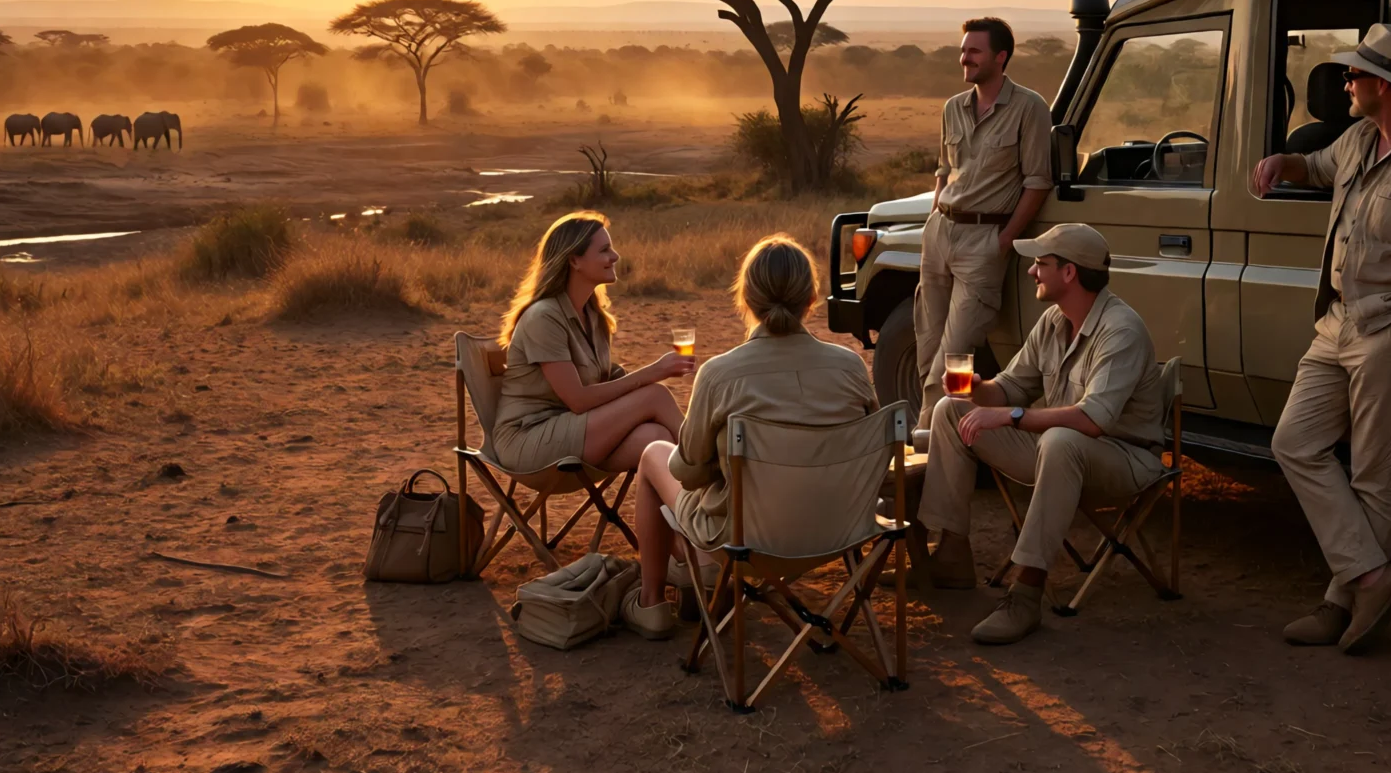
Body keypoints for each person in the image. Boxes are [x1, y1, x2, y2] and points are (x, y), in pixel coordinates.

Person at [1250, 22, 1391, 654]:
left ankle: (1340, 602)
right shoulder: (1357, 140)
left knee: (1375, 472)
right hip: (1337, 323)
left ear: (1383, 83)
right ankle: (1371, 577)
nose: (1345, 82)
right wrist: (1281, 163)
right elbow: (1314, 166)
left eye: (1353, 74)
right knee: (1294, 442)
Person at [918, 223, 1166, 645]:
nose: (1032, 272)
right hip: (1060, 455)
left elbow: (1091, 422)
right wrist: (978, 391)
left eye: (1040, 264)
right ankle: (951, 554)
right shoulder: (1053, 321)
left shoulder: (1120, 330)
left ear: (1069, 273)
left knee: (1061, 439)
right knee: (948, 410)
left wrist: (1010, 417)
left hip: (1125, 458)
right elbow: (1011, 389)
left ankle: (1026, 594)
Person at [628, 236, 876, 639]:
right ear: (811, 298)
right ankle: (699, 575)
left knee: (655, 453)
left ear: (745, 298)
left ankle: (652, 603)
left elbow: (687, 473)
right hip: (842, 527)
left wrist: (714, 462)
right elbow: (868, 448)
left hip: (749, 538)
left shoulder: (720, 374)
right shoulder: (849, 367)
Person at [875, 16, 1054, 417]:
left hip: (984, 239)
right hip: (941, 232)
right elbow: (943, 171)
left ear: (1000, 56)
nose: (964, 58)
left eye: (974, 51)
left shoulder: (1030, 107)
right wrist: (935, 218)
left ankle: (927, 444)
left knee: (953, 355)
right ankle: (953, 428)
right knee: (927, 347)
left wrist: (1004, 241)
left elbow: (1038, 183)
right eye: (963, 50)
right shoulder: (953, 108)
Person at [493, 209, 693, 501]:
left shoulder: (593, 315)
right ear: (574, 260)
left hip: (576, 437)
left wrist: (630, 386)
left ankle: (687, 530)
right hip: (531, 443)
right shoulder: (544, 317)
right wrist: (651, 374)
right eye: (604, 250)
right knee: (655, 395)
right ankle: (712, 465)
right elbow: (578, 400)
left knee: (657, 440)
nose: (615, 256)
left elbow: (602, 379)